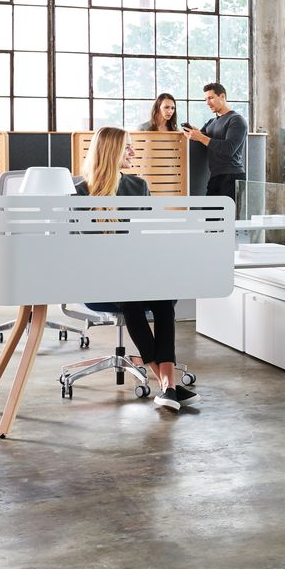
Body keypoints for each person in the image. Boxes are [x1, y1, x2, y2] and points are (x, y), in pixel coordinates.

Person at [75, 126, 197, 411]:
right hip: (100, 282)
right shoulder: (80, 194)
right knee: (131, 299)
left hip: (136, 273)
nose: (133, 152)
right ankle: (168, 386)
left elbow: (149, 235)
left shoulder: (138, 186)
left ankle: (168, 387)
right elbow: (81, 252)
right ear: (112, 152)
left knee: (164, 299)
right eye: (127, 147)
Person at [182, 83, 247, 205]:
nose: (207, 103)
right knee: (210, 220)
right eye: (206, 99)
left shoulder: (237, 120)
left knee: (230, 220)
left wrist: (201, 137)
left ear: (222, 96)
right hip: (215, 176)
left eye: (211, 98)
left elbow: (229, 149)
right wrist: (194, 133)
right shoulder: (211, 122)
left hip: (232, 177)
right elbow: (203, 137)